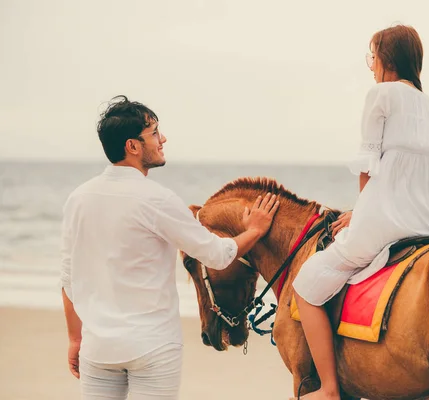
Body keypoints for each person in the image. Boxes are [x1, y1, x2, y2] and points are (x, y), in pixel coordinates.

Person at [60, 95, 279, 399]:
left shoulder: (78, 198)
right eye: (154, 133)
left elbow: (69, 280)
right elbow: (216, 254)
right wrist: (254, 230)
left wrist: (75, 339)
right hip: (152, 347)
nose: (162, 139)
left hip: (98, 348)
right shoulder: (157, 199)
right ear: (132, 146)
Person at [292, 24, 429, 400]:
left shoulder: (380, 94)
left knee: (308, 282)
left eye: (373, 55)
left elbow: (369, 166)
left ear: (387, 58)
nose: (371, 65)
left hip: (387, 223)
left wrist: (361, 213)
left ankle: (329, 388)